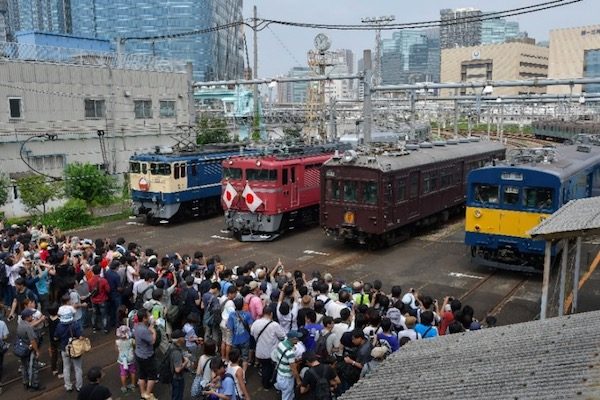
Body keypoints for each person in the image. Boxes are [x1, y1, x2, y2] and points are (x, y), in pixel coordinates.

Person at [250, 304, 285, 389]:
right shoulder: (274, 325)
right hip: (270, 352)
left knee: (265, 367)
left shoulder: (256, 323)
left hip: (259, 351)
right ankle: (266, 384)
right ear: (271, 314)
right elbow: (282, 337)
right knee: (268, 368)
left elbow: (252, 334)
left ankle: (265, 381)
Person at [54, 309, 84, 392]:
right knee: (78, 368)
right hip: (75, 349)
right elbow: (80, 336)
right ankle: (79, 386)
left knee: (66, 367)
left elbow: (56, 337)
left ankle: (68, 386)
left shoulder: (59, 325)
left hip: (64, 348)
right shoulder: (75, 324)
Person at [272, 330, 303, 400]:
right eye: (297, 339)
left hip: (280, 374)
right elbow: (293, 369)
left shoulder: (281, 344)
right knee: (286, 396)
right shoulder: (290, 353)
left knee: (287, 393)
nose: (298, 341)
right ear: (292, 339)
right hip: (287, 379)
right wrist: (298, 380)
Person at [18, 308, 44, 391]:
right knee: (33, 367)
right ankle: (34, 385)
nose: (32, 316)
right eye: (30, 315)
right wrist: (37, 351)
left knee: (24, 367)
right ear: (27, 317)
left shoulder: (20, 324)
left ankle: (25, 383)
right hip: (29, 349)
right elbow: (33, 341)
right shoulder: (28, 327)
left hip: (22, 349)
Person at [134, 309, 158, 400]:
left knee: (142, 375)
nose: (150, 317)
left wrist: (150, 326)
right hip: (147, 355)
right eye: (148, 316)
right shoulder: (144, 330)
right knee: (152, 376)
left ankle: (142, 393)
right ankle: (147, 395)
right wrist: (153, 330)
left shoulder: (136, 326)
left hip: (138, 353)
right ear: (144, 318)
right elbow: (152, 341)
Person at [226, 297, 254, 372]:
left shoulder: (231, 315)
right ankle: (243, 374)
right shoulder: (247, 314)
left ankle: (235, 372)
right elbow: (251, 327)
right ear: (242, 305)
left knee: (235, 357)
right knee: (245, 357)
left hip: (235, 339)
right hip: (245, 339)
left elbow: (229, 328)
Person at [88, 265, 110, 334]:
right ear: (100, 271)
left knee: (94, 314)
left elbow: (89, 290)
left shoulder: (89, 281)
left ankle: (94, 327)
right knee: (104, 315)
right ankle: (105, 329)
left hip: (94, 300)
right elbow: (108, 290)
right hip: (102, 300)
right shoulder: (103, 280)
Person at [169, 329, 191, 400]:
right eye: (183, 337)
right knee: (178, 396)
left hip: (172, 376)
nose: (184, 338)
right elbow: (177, 369)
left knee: (174, 394)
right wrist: (186, 362)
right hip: (177, 378)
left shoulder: (172, 346)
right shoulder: (176, 353)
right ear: (179, 339)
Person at [115, 325, 136, 394]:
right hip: (130, 358)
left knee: (123, 373)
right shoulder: (131, 340)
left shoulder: (117, 342)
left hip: (122, 359)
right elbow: (134, 346)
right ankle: (133, 384)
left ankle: (124, 387)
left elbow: (116, 349)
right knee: (132, 371)